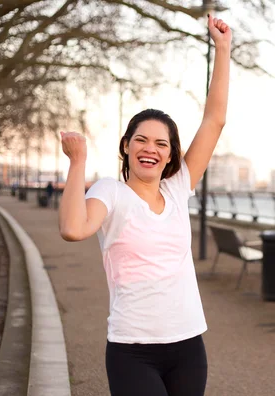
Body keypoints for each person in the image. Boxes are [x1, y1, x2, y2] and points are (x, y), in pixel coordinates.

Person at [58, 14, 231, 396]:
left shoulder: (177, 188)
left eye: (161, 144)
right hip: (132, 351)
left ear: (170, 156)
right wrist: (77, 162)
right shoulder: (110, 192)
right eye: (141, 140)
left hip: (188, 345)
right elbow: (73, 228)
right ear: (126, 146)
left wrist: (222, 49)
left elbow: (214, 120)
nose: (150, 148)